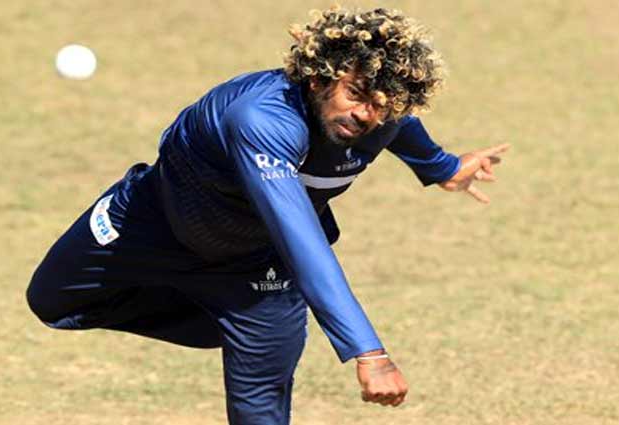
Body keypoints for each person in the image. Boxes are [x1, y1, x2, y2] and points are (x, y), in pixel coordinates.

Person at [26, 6, 508, 424]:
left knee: (260, 405)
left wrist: (444, 168)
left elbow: (403, 128)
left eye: (382, 106)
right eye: (357, 93)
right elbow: (302, 239)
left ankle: (234, 321)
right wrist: (369, 351)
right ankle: (214, 312)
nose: (366, 114)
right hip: (151, 225)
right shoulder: (261, 118)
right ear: (321, 77)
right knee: (52, 299)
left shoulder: (382, 119)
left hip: (258, 265)